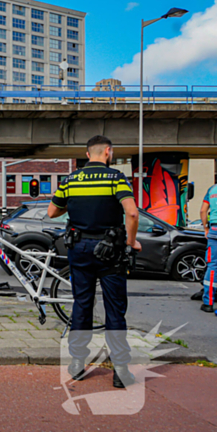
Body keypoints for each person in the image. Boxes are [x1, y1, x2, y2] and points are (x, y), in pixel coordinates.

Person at [47, 135, 142, 389]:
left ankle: (77, 364)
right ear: (108, 152)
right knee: (114, 309)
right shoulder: (116, 178)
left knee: (82, 304)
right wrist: (131, 241)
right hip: (110, 249)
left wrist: (76, 205)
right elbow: (132, 212)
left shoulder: (71, 179)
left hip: (79, 248)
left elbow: (52, 211)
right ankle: (120, 370)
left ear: (88, 154)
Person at [198, 186, 217, 313]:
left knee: (212, 267)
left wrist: (205, 228)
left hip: (214, 231)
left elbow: (203, 211)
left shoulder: (212, 190)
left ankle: (208, 303)